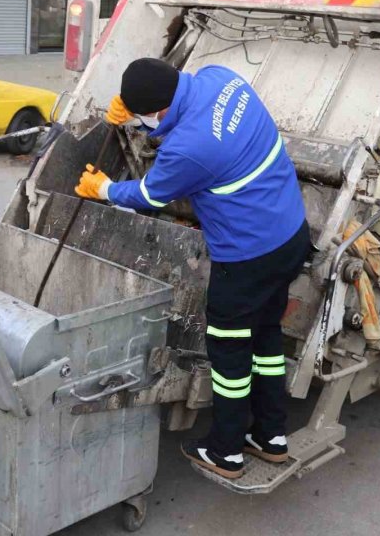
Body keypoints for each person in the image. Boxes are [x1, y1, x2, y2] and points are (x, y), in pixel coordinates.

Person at [75, 58, 310, 479]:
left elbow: (150, 193)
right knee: (266, 336)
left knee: (230, 351)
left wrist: (104, 188)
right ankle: (271, 436)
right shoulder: (219, 77)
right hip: (290, 234)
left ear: (158, 111)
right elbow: (168, 104)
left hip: (247, 258)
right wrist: (132, 113)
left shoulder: (190, 148)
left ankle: (226, 452)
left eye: (143, 113)